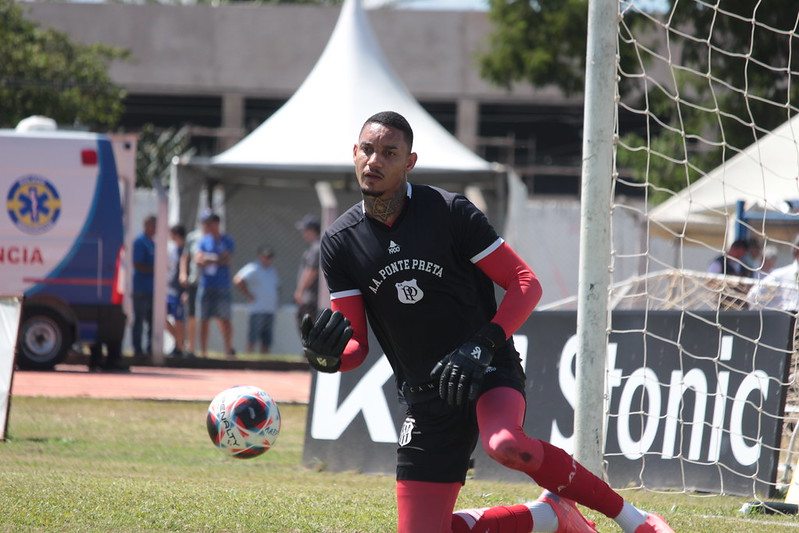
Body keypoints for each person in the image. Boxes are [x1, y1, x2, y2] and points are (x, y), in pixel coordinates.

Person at [300, 111, 673, 533]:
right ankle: (551, 515)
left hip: (486, 370)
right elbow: (356, 348)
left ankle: (638, 521)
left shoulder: (449, 211)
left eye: (389, 152)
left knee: (507, 445)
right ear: (354, 153)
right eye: (367, 150)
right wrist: (327, 359)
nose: (375, 160)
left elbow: (525, 283)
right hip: (424, 396)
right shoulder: (339, 242)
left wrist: (481, 345)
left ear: (410, 162)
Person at [195, 212, 235, 359]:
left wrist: (209, 258)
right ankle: (203, 352)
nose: (207, 227)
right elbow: (198, 259)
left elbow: (227, 259)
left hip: (222, 285)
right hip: (206, 285)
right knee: (203, 319)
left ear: (217, 224)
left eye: (210, 223)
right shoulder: (203, 241)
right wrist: (215, 258)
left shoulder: (227, 240)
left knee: (225, 319)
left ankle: (228, 351)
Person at [233, 246, 281, 354]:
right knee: (252, 338)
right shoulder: (253, 268)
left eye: (270, 257)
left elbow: (277, 287)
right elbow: (237, 280)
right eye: (265, 257)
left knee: (266, 340)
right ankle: (249, 361)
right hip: (257, 309)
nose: (268, 259)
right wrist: (248, 294)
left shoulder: (272, 270)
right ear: (260, 256)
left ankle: (264, 364)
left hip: (270, 309)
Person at [180, 210, 211, 358]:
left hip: (210, 283)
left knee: (206, 318)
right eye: (205, 222)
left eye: (210, 222)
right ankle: (191, 348)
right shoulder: (193, 237)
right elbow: (185, 257)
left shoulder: (215, 238)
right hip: (194, 281)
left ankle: (204, 351)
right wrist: (183, 274)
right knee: (191, 315)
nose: (207, 225)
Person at [747, 235, 799, 311]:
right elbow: (753, 295)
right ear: (796, 251)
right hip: (788, 320)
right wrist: (774, 315)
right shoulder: (780, 275)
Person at [131, 215, 156, 358]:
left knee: (152, 320)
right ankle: (137, 349)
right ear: (146, 225)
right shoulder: (140, 242)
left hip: (151, 288)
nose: (154, 229)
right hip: (141, 287)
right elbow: (137, 263)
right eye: (152, 225)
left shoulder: (152, 243)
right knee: (139, 319)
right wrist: (155, 270)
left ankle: (150, 348)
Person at [294, 213, 322, 328]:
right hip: (311, 298)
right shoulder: (315, 246)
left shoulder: (316, 247)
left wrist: (300, 291)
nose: (303, 233)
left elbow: (311, 271)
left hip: (310, 298)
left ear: (312, 230)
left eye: (305, 230)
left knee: (308, 330)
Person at [166, 224, 188, 358]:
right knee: (161, 317)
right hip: (169, 290)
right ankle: (181, 342)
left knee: (178, 319)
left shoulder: (186, 250)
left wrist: (186, 291)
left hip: (180, 291)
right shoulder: (172, 249)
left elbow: (187, 272)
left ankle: (179, 347)